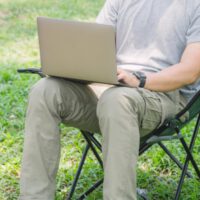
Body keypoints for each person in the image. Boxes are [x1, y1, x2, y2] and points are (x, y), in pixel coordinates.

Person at [19, 0, 200, 199]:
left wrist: (138, 80)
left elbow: (190, 72)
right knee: (45, 90)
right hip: (110, 89)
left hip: (163, 95)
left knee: (117, 100)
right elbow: (95, 51)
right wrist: (71, 69)